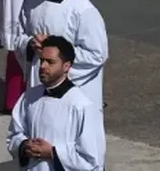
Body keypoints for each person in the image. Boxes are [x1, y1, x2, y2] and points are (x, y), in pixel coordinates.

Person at [13, 0, 108, 115]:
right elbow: (19, 36)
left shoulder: (82, 10)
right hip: (37, 86)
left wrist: (56, 52)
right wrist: (30, 44)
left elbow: (97, 55)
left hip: (70, 95)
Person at [6, 36, 106, 171]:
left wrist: (53, 153)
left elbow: (91, 159)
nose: (43, 66)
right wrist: (24, 145)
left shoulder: (81, 105)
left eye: (50, 62)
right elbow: (14, 134)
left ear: (66, 66)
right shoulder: (29, 96)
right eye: (42, 60)